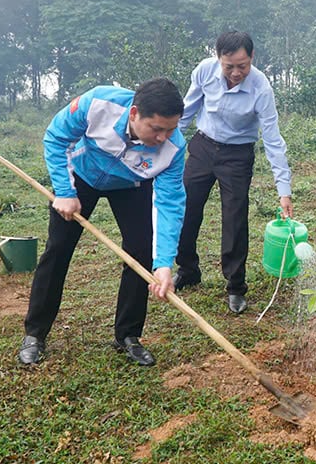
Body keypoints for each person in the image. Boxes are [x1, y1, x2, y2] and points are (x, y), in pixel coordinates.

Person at [17, 78, 187, 367]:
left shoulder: (174, 148)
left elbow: (170, 204)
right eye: (157, 129)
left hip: (132, 185)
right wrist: (65, 192)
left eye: (170, 129)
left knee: (140, 252)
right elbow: (56, 137)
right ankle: (35, 334)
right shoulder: (96, 103)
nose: (163, 138)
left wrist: (165, 263)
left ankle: (128, 336)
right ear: (134, 113)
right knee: (58, 250)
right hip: (82, 176)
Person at [172, 31, 293, 314]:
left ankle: (235, 287)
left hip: (237, 155)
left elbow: (273, 139)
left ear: (252, 58)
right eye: (230, 66)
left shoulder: (261, 88)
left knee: (235, 218)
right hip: (202, 147)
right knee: (185, 208)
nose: (236, 72)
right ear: (218, 59)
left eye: (243, 65)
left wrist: (283, 190)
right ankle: (188, 269)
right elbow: (186, 113)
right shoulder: (204, 71)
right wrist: (165, 153)